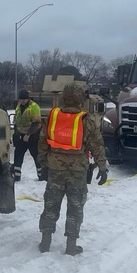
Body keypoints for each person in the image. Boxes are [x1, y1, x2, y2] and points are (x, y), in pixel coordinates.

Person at [36, 83, 108, 255]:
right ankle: (71, 245)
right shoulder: (87, 121)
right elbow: (97, 146)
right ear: (80, 100)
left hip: (55, 168)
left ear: (63, 98)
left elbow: (42, 143)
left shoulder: (53, 117)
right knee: (75, 206)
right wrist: (102, 168)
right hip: (78, 172)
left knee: (51, 204)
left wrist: (43, 164)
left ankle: (45, 242)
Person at [12, 89, 42, 182]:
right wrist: (16, 133)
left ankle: (41, 176)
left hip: (32, 136)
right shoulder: (18, 106)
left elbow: (36, 123)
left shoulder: (34, 107)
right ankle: (16, 176)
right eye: (21, 99)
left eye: (24, 99)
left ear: (28, 99)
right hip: (21, 135)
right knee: (18, 156)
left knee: (36, 156)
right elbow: (17, 121)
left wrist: (28, 135)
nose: (23, 101)